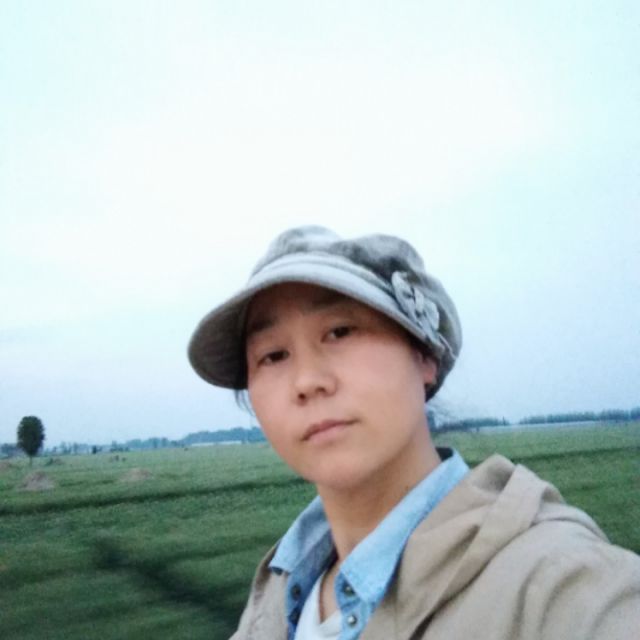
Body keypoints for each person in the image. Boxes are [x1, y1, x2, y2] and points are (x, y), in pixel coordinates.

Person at [188, 225, 640, 640]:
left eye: (340, 332)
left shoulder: (561, 589)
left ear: (425, 356)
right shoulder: (276, 595)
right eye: (272, 355)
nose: (307, 381)